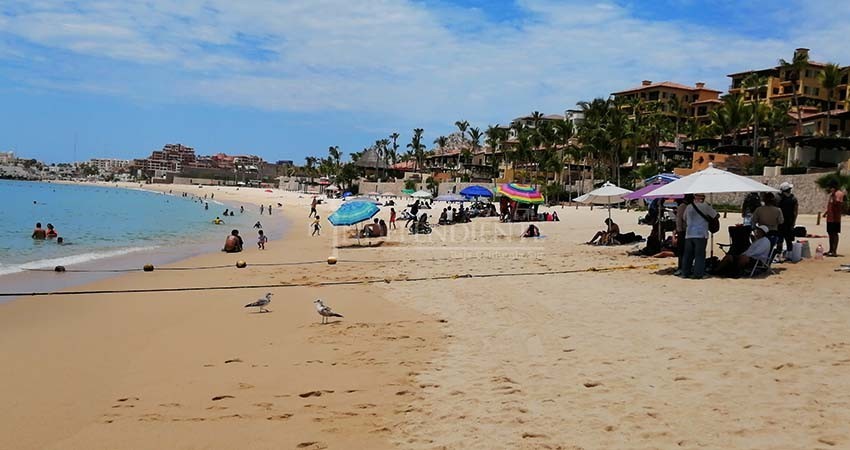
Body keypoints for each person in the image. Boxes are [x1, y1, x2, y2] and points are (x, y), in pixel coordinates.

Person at [681, 193, 719, 279]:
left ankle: (685, 272)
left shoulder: (689, 207)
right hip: (701, 234)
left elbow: (684, 218)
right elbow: (715, 216)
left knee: (688, 255)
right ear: (703, 198)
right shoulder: (706, 206)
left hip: (689, 233)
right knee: (700, 255)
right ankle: (698, 273)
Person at [673, 194, 693, 276]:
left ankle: (684, 267)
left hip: (685, 231)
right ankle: (681, 267)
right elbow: (679, 220)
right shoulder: (683, 206)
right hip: (684, 231)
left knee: (684, 251)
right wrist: (679, 231)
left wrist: (679, 230)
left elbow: (678, 220)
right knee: (682, 251)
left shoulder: (685, 206)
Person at [824, 180, 845, 257]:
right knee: (830, 233)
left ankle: (834, 251)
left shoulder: (839, 194)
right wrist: (826, 213)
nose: (830, 188)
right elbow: (830, 205)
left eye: (831, 187)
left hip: (835, 218)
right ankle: (830, 250)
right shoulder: (832, 194)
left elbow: (838, 204)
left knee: (834, 233)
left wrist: (834, 196)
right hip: (830, 217)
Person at [777, 182, 798, 256]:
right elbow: (795, 212)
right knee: (788, 239)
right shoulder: (793, 198)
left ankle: (778, 255)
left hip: (780, 222)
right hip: (789, 222)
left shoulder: (778, 198)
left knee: (780, 239)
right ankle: (790, 255)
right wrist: (793, 222)